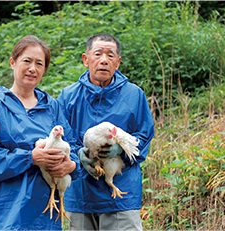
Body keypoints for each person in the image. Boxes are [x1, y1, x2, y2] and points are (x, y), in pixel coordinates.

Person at [0, 35, 82, 231]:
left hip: (45, 210)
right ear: (13, 62)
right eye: (27, 61)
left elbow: (73, 145)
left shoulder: (52, 107)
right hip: (6, 208)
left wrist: (71, 164)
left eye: (39, 64)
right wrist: (30, 158)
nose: (33, 68)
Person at [57, 33, 155, 231]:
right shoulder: (69, 97)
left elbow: (144, 134)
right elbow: (62, 138)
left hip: (122, 192)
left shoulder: (134, 95)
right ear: (86, 59)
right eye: (98, 54)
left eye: (110, 55)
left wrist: (122, 150)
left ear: (117, 62)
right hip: (81, 192)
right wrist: (78, 155)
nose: (104, 60)